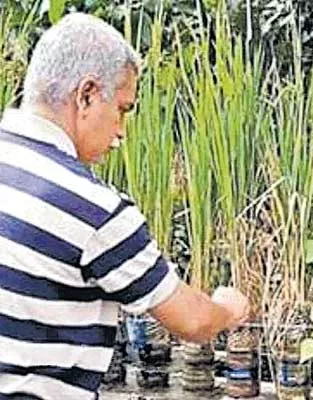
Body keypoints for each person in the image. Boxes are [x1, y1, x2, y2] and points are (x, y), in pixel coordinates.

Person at [0, 13, 249, 400]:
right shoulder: (92, 209)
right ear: (86, 95)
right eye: (122, 109)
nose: (121, 133)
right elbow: (194, 321)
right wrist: (227, 309)